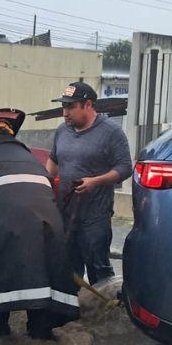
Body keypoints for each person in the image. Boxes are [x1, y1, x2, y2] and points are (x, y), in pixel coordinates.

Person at [0, 108, 80, 341]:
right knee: (41, 317)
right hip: (48, 240)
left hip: (2, 241)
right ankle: (41, 343)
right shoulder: (34, 161)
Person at [46, 81, 132, 288]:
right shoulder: (62, 131)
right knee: (68, 265)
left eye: (70, 107)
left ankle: (102, 311)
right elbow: (54, 161)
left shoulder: (112, 132)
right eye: (63, 107)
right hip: (66, 213)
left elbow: (125, 168)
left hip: (95, 216)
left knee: (98, 267)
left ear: (88, 105)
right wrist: (40, 182)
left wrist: (96, 181)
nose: (65, 113)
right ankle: (71, 309)